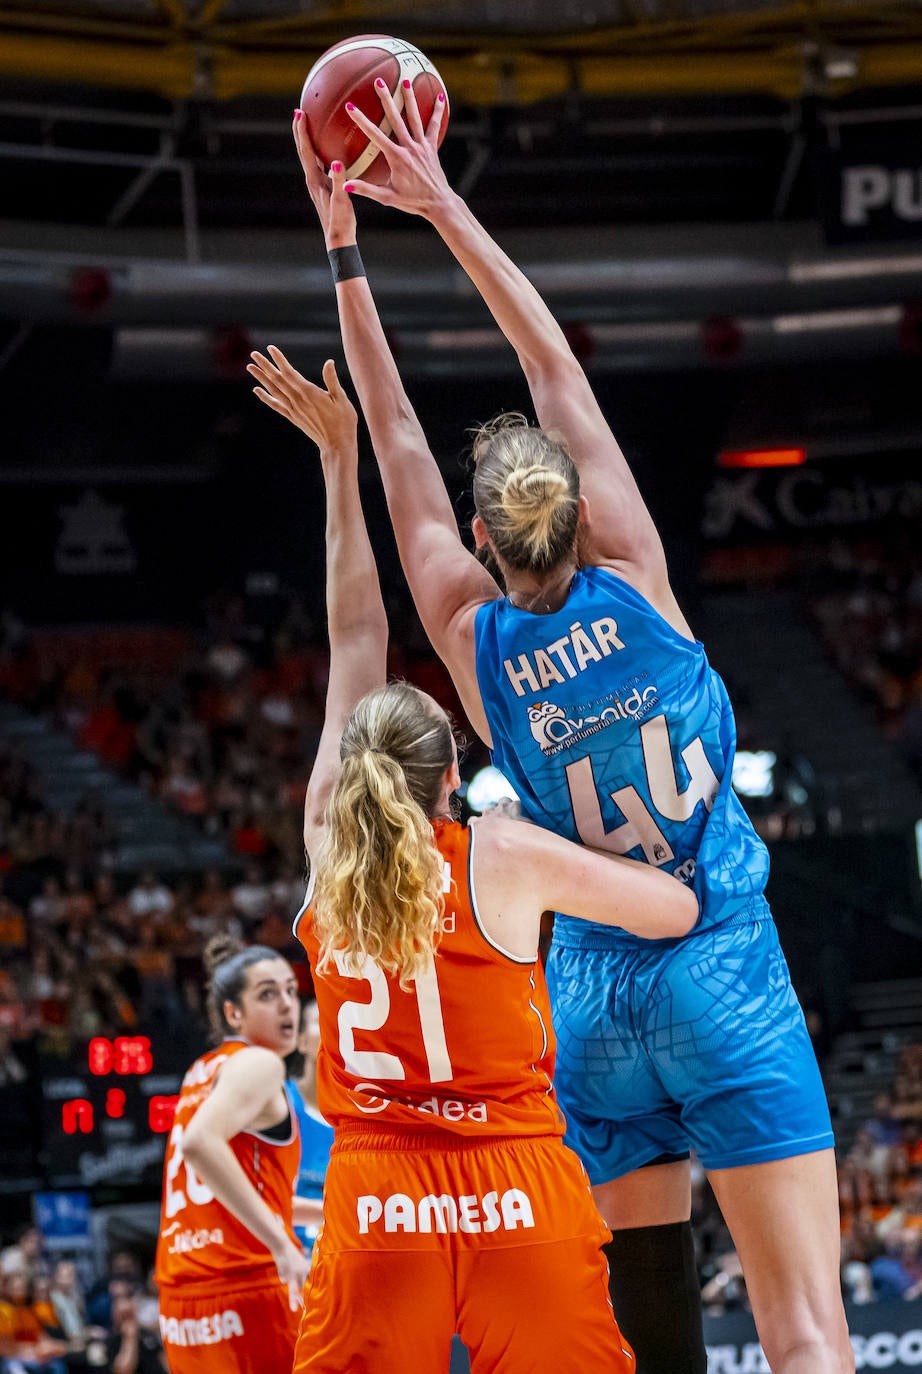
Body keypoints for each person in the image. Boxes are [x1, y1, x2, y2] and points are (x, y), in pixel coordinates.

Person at [265, 89, 854, 1374]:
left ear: (480, 541)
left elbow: (399, 438)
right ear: (581, 515)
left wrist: (343, 250)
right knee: (803, 1333)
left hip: (585, 993)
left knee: (646, 1324)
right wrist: (438, 201)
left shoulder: (473, 647)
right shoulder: (637, 576)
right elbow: (552, 364)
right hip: (717, 955)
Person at [247, 347, 698, 1373]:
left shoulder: (327, 840)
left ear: (357, 773)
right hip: (516, 1181)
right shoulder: (503, 854)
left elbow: (353, 632)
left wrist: (337, 461)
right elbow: (670, 911)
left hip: (375, 1198)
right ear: (456, 773)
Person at [153, 935, 309, 1374]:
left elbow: (229, 1192)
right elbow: (200, 1144)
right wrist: (282, 1245)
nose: (286, 1006)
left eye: (290, 991)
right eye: (267, 994)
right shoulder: (261, 1064)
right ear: (233, 1013)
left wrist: (327, 1211)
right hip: (249, 1285)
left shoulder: (201, 1070)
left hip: (182, 1302)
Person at [286, 997, 334, 1257]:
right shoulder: (278, 1103)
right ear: (301, 1041)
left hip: (339, 1265)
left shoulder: (363, 1114)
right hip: (289, 1267)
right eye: (320, 1021)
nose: (332, 1029)